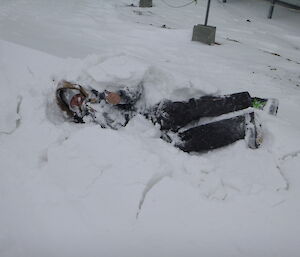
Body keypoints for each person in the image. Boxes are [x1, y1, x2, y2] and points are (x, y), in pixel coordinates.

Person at [55, 80, 279, 153]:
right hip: (142, 138)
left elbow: (135, 94)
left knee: (195, 108)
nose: (76, 101)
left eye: (75, 96)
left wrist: (118, 97)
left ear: (80, 91)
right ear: (71, 109)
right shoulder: (83, 126)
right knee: (185, 143)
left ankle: (252, 101)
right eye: (72, 102)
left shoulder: (98, 94)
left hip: (152, 115)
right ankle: (242, 126)